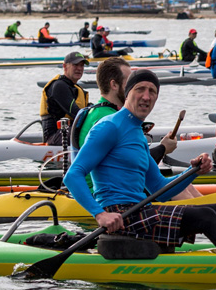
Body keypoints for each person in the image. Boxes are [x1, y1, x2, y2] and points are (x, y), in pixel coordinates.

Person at [65, 70, 216, 255]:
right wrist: (100, 215)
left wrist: (193, 171)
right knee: (206, 216)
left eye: (152, 92)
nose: (146, 96)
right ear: (127, 93)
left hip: (138, 209)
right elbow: (73, 175)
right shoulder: (109, 127)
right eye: (140, 89)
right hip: (119, 215)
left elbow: (160, 187)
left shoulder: (138, 135)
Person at [71, 60, 192, 199]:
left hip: (115, 186)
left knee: (185, 185)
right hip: (102, 194)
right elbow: (129, 161)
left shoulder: (98, 111)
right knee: (182, 191)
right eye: (130, 82)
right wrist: (163, 148)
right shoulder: (108, 119)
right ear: (114, 85)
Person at [41, 51, 90, 145]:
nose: (79, 69)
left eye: (82, 65)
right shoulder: (59, 86)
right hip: (54, 137)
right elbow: (77, 114)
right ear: (65, 66)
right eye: (75, 65)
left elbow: (88, 110)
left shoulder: (76, 88)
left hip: (68, 132)